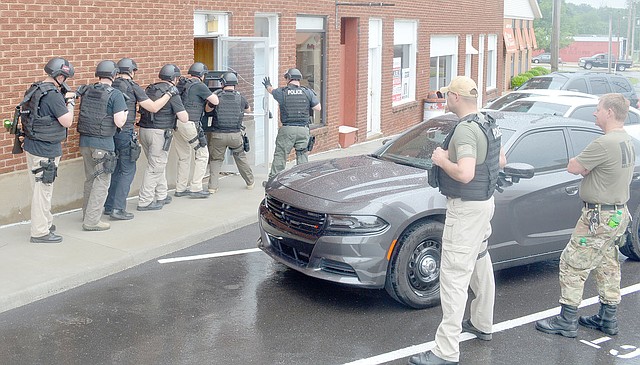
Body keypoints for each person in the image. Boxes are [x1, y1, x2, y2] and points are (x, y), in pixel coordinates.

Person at [409, 76, 506, 365]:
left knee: (453, 276)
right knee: (479, 259)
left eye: (447, 95)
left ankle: (446, 351)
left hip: (466, 210)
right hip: (485, 204)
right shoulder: (487, 122)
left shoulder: (465, 131)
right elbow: (500, 160)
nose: (444, 99)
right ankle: (482, 322)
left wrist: (440, 159)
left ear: (455, 97)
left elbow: (464, 174)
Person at [535, 93, 635, 338]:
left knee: (572, 262)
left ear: (609, 112)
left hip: (598, 217)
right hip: (618, 214)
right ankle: (607, 317)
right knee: (607, 264)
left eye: (598, 108)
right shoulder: (627, 140)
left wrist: (582, 166)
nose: (595, 113)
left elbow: (574, 166)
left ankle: (567, 320)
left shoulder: (604, 143)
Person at [103, 58, 173, 221]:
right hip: (124, 132)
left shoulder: (111, 85)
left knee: (114, 169)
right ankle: (118, 209)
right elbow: (153, 107)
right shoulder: (133, 87)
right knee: (128, 169)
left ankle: (109, 205)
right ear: (131, 71)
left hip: (108, 132)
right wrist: (169, 93)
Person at [20, 57, 76, 243]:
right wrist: (71, 103)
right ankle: (40, 232)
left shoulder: (36, 88)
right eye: (65, 77)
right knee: (43, 190)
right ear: (60, 76)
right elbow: (67, 121)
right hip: (46, 149)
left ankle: (45, 221)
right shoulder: (53, 95)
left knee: (39, 188)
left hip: (33, 145)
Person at [76, 60, 127, 231]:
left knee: (90, 179)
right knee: (102, 181)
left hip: (85, 142)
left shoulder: (87, 90)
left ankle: (87, 214)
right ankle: (92, 221)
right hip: (103, 144)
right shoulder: (116, 94)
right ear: (114, 75)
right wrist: (125, 114)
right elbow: (119, 122)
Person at [137, 64, 189, 211]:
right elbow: (183, 118)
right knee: (155, 166)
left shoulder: (150, 88)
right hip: (159, 133)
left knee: (157, 163)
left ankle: (161, 195)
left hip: (144, 130)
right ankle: (145, 201)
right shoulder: (171, 92)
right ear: (174, 78)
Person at [261, 68, 321, 183]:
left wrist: (268, 85)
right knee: (302, 155)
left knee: (280, 155)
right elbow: (318, 108)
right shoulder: (307, 92)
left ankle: (273, 181)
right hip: (303, 129)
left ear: (288, 78)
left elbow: (271, 90)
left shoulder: (282, 92)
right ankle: (303, 182)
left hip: (287, 129)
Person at [174, 62, 219, 198]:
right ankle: (196, 187)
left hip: (176, 123)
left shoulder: (183, 84)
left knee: (184, 157)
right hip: (190, 124)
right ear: (202, 75)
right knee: (203, 154)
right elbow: (215, 101)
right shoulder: (199, 85)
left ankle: (180, 188)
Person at [206, 72, 254, 193]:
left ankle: (212, 187)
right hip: (235, 135)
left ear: (222, 83)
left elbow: (207, 109)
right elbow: (248, 110)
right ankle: (250, 182)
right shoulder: (240, 97)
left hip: (218, 135)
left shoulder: (217, 96)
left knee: (216, 160)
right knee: (241, 158)